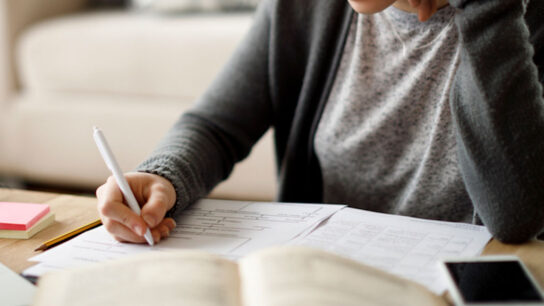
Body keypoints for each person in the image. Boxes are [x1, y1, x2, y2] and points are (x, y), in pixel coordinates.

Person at [96, 0, 544, 245]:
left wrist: (489, 7)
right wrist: (163, 176)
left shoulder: (523, 20)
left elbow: (517, 218)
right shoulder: (306, 8)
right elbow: (215, 125)